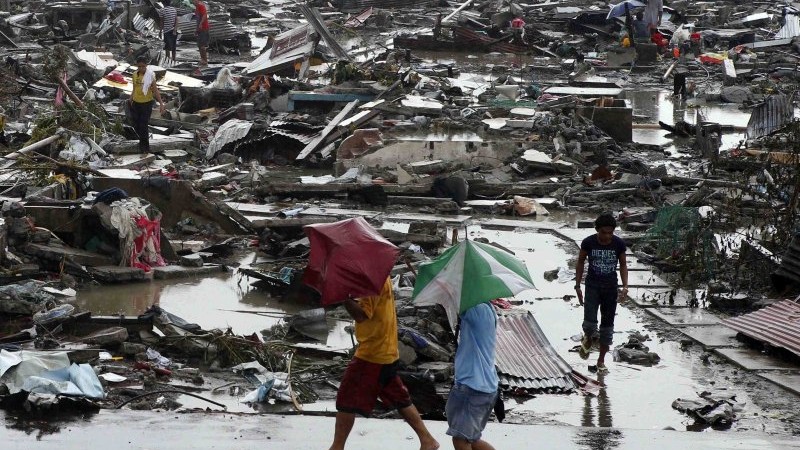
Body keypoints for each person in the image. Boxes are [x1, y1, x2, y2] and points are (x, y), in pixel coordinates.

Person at [329, 277, 439, 450]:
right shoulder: (381, 276)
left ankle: (337, 447)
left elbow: (362, 315)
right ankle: (427, 440)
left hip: (372, 354)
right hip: (386, 349)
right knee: (399, 397)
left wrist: (343, 296)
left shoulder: (371, 281)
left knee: (346, 399)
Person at [574, 213, 628, 373]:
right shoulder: (588, 242)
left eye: (610, 232)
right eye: (604, 232)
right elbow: (580, 262)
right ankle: (588, 337)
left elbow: (624, 265)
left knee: (607, 327)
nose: (607, 236)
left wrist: (625, 287)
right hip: (592, 287)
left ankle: (601, 360)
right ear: (597, 230)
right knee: (590, 324)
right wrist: (577, 286)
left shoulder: (618, 244)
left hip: (610, 288)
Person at [446, 302, 499, 450]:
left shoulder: (475, 308)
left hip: (472, 387)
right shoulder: (487, 308)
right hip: (483, 385)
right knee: (472, 440)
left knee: (461, 440)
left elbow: (454, 299)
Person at [129, 55, 165, 153]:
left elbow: (155, 90)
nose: (141, 68)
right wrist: (130, 99)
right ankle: (142, 143)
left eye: (143, 66)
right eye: (139, 67)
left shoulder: (150, 76)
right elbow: (134, 88)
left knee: (143, 125)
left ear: (146, 66)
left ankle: (145, 147)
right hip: (136, 102)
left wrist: (161, 103)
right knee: (136, 124)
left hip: (146, 104)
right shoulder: (134, 75)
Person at [193, 0, 210, 67]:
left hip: (204, 28)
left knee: (202, 45)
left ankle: (205, 60)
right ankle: (202, 59)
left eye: (194, 1)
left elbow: (205, 15)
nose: (193, 2)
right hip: (200, 29)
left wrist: (201, 24)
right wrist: (196, 29)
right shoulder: (197, 8)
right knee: (199, 45)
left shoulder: (201, 6)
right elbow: (198, 19)